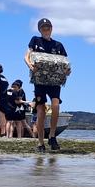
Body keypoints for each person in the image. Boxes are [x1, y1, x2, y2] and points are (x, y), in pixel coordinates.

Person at [24, 18, 70, 152]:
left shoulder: (58, 45)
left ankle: (52, 136)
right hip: (39, 81)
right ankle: (40, 143)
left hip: (54, 82)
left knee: (56, 105)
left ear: (51, 29)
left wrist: (67, 71)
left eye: (48, 27)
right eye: (43, 28)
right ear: (39, 30)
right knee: (40, 111)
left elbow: (65, 64)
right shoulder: (35, 40)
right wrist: (30, 65)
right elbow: (27, 56)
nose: (46, 30)